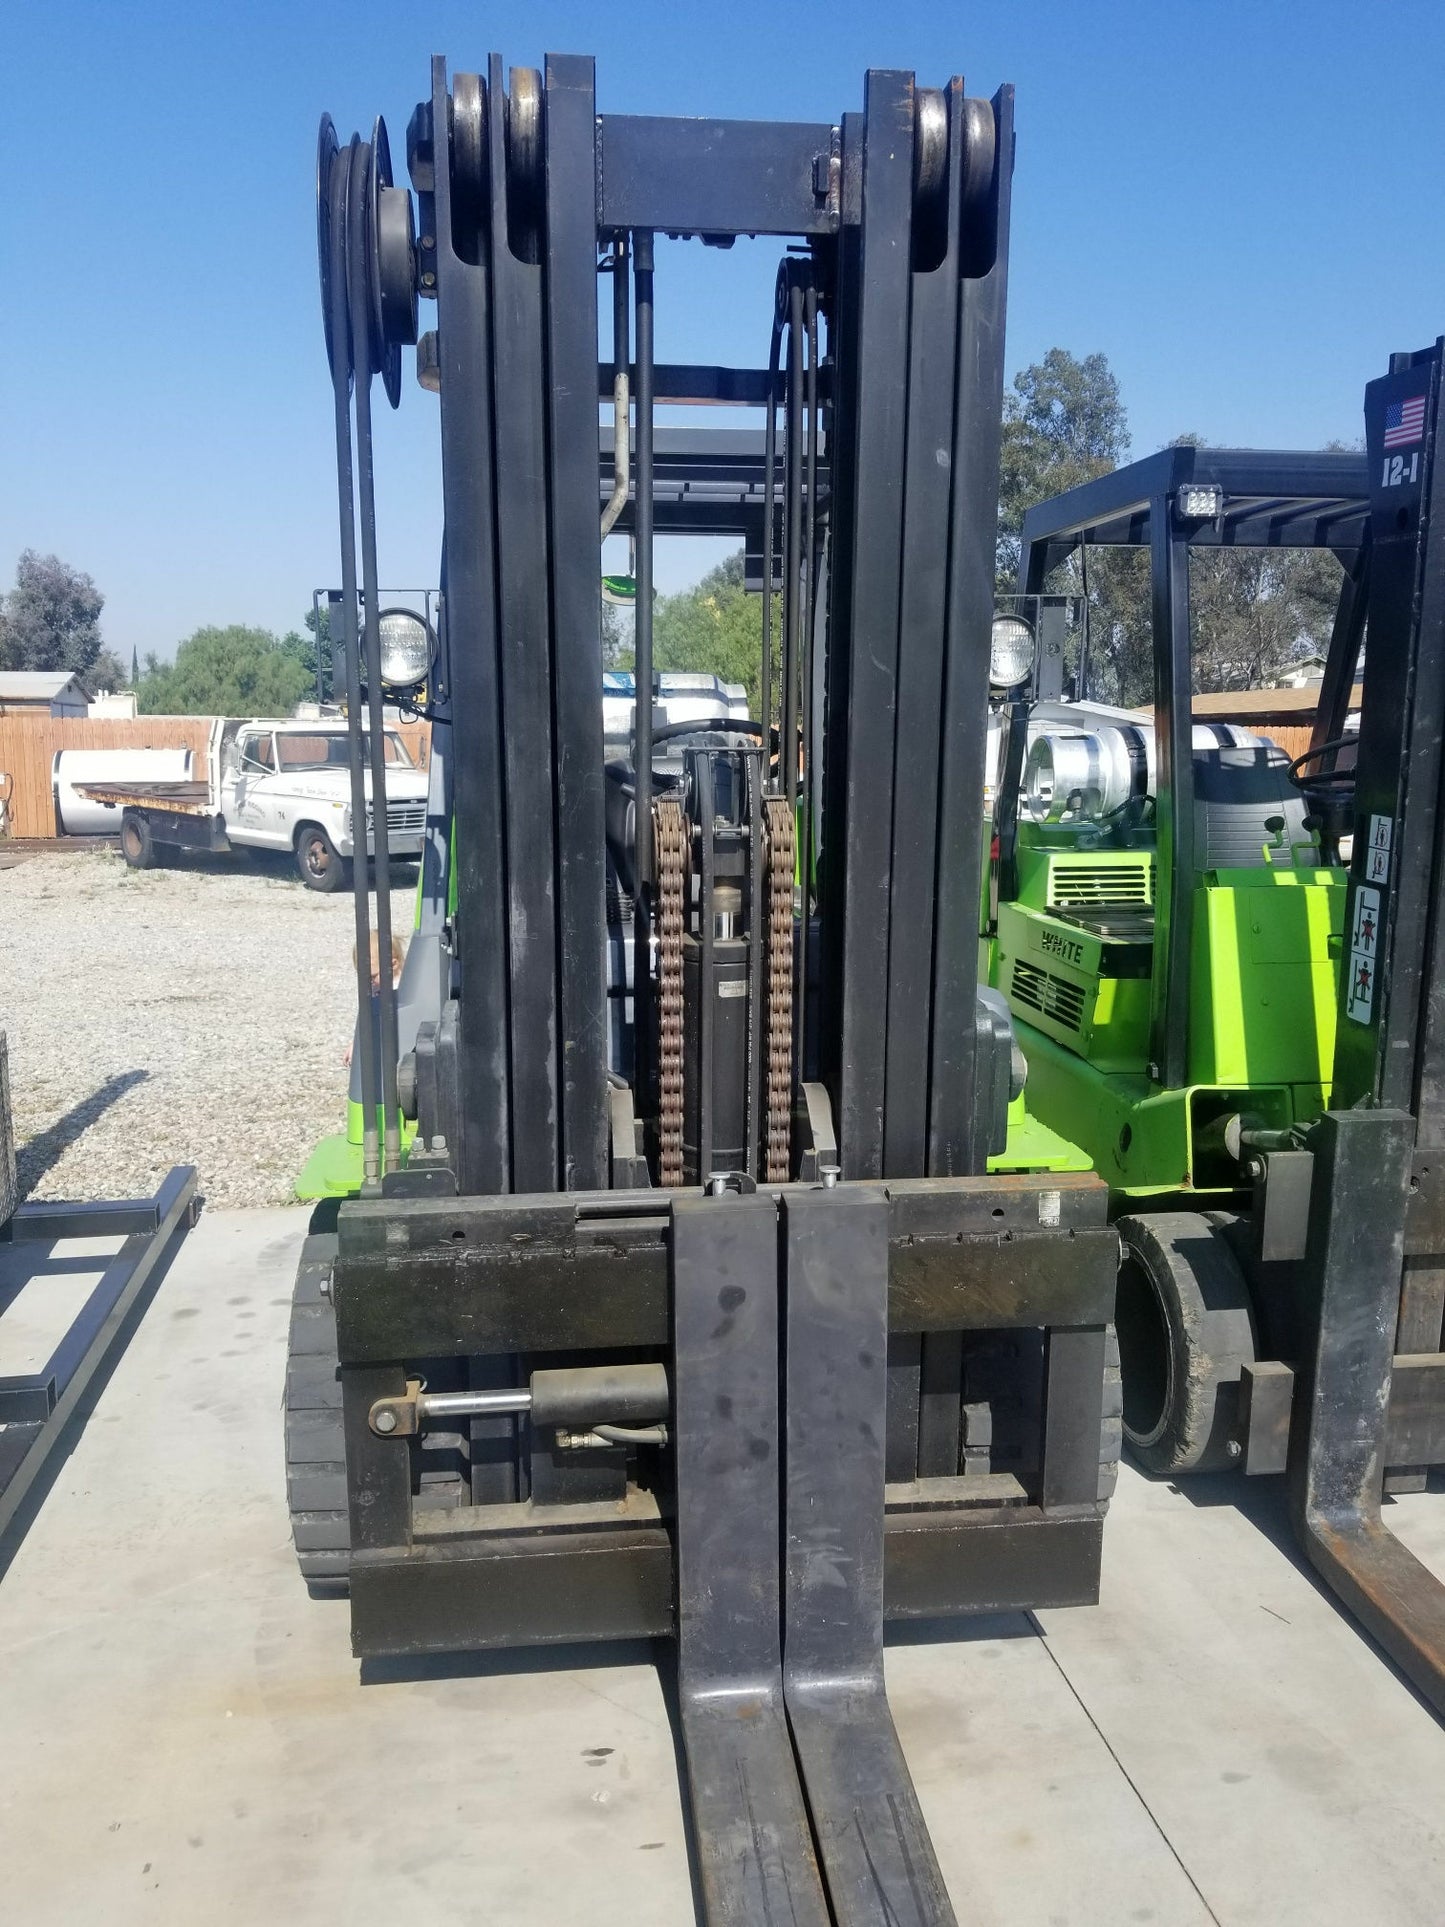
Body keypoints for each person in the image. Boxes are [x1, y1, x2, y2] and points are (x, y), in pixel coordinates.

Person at [344, 931, 406, 1065]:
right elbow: (366, 1022)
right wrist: (355, 1044)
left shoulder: (404, 986)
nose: (369, 982)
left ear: (393, 965)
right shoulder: (374, 988)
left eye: (373, 976)